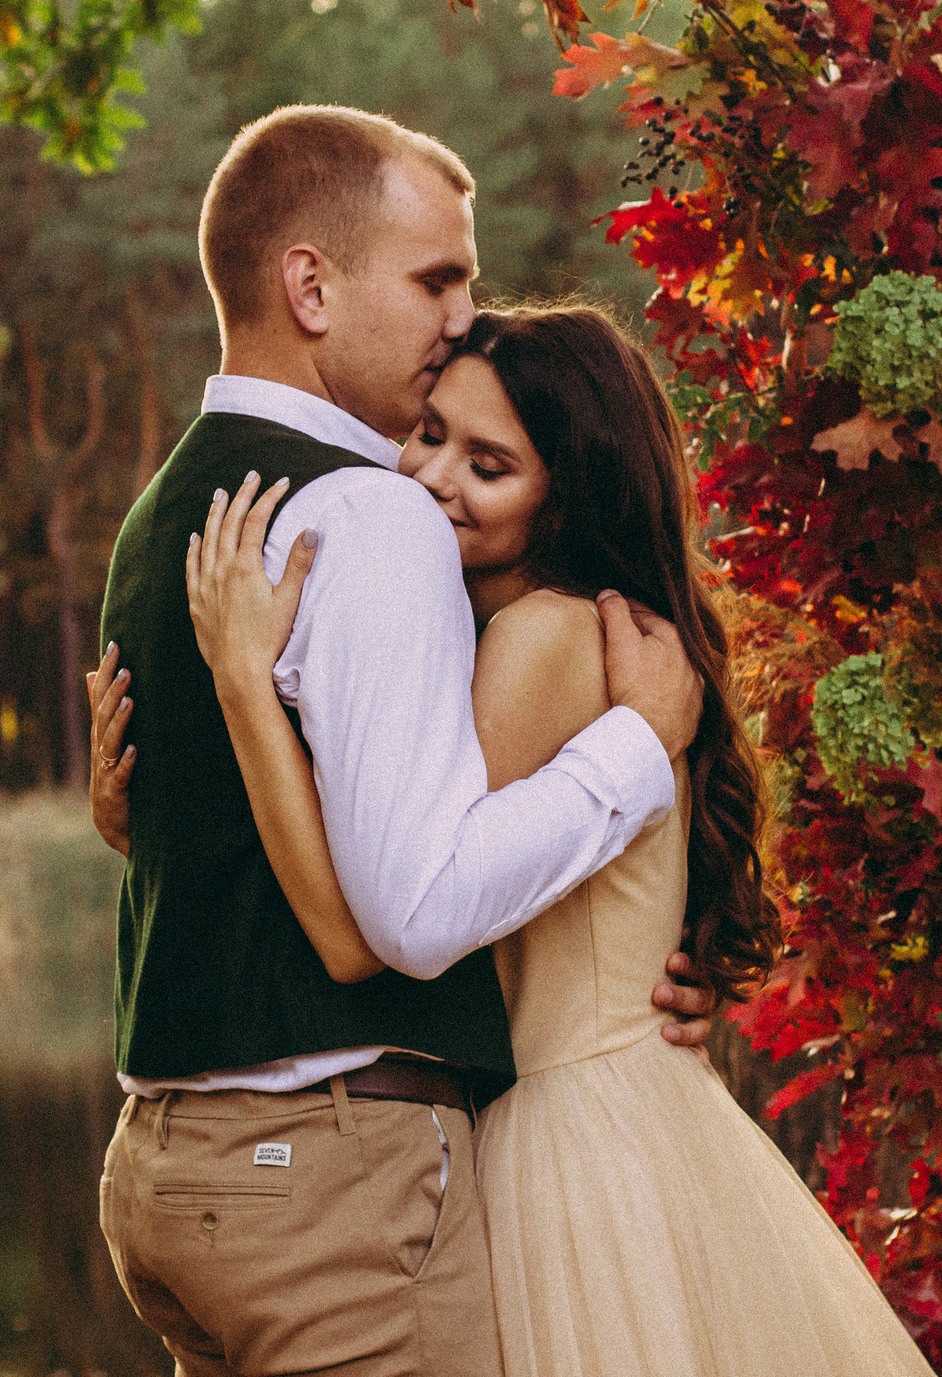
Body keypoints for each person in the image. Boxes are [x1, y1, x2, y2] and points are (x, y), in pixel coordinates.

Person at [99, 304, 935, 1377]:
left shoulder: (541, 639)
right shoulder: (528, 629)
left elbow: (368, 923)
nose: (432, 477)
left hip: (565, 1143)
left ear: (567, 495)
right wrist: (143, 816)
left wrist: (241, 691)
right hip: (588, 1111)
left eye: (488, 464)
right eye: (431, 432)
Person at [88, 105, 718, 1377]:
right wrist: (637, 754)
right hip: (325, 1182)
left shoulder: (162, 511)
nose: (458, 316)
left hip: (172, 1171)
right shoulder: (369, 519)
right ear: (309, 285)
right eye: (438, 277)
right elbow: (413, 913)